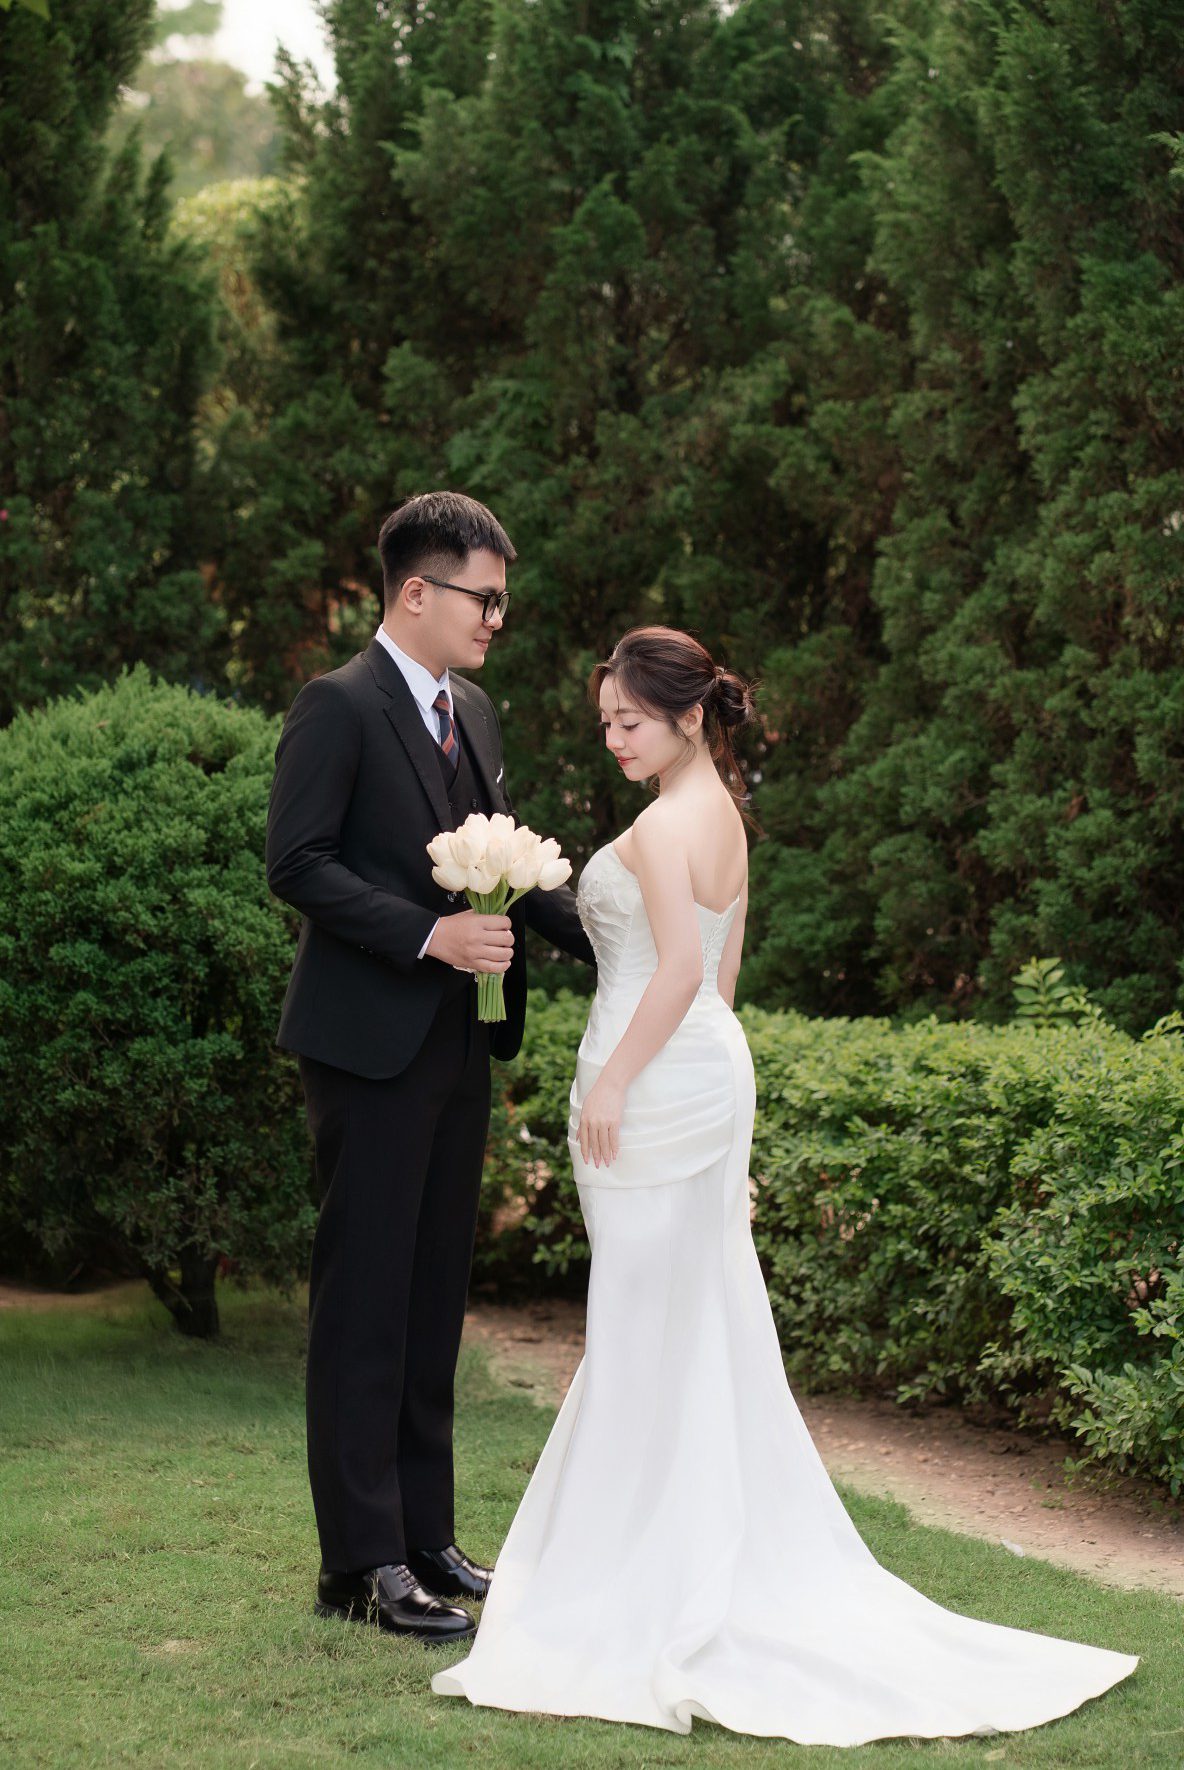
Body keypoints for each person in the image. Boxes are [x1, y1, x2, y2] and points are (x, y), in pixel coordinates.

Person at [430, 625, 1139, 1742]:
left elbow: (676, 972)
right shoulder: (725, 818)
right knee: (687, 1324)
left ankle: (631, 1584)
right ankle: (662, 1550)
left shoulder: (663, 827)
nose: (613, 739)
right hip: (705, 1073)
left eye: (628, 721)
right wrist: (720, 1129)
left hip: (651, 1082)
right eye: (606, 722)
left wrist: (612, 1082)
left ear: (686, 716)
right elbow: (721, 977)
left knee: (639, 1331)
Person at [265, 491, 595, 1642]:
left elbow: (511, 869)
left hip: (459, 1047)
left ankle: (425, 1538)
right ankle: (359, 1565)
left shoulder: (476, 715)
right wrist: (426, 936)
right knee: (363, 1304)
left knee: (428, 1300)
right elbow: (297, 861)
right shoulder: (337, 705)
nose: (497, 618)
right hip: (366, 1049)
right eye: (482, 598)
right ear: (416, 591)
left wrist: (625, 938)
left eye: (501, 601)